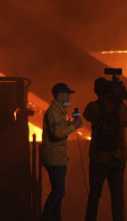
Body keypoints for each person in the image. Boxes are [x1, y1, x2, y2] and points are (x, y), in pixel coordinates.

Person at [83, 77, 127, 221]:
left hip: (98, 157)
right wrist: (119, 100)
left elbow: (86, 115)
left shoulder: (93, 107)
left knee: (94, 195)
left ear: (96, 91)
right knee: (117, 196)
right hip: (117, 157)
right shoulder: (120, 108)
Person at [40, 82, 82, 221]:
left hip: (58, 158)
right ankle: (45, 218)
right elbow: (57, 134)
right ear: (59, 95)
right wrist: (73, 127)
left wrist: (68, 124)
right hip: (55, 158)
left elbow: (58, 129)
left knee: (59, 194)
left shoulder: (59, 112)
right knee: (58, 192)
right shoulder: (53, 112)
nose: (69, 97)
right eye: (67, 93)